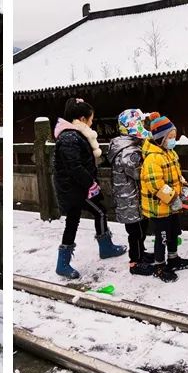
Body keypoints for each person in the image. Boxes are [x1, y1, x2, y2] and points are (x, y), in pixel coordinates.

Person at [52, 97, 126, 279]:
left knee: (74, 221)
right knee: (99, 211)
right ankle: (105, 247)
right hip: (76, 188)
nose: (92, 122)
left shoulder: (71, 135)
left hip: (75, 188)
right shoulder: (70, 137)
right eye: (91, 119)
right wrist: (91, 184)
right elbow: (75, 167)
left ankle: (63, 262)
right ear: (83, 119)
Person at [139, 112, 188, 282]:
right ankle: (160, 266)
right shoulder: (152, 159)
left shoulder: (170, 153)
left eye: (174, 136)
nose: (173, 140)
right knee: (162, 237)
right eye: (170, 137)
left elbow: (178, 175)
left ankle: (174, 258)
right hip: (159, 207)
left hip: (172, 206)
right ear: (161, 138)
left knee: (173, 233)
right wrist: (173, 198)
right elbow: (156, 185)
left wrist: (183, 187)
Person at [106, 108, 154, 275]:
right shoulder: (129, 151)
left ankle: (141, 254)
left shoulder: (129, 145)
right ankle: (135, 262)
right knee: (136, 232)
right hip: (131, 200)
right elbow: (138, 172)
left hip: (132, 199)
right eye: (141, 123)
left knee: (141, 229)